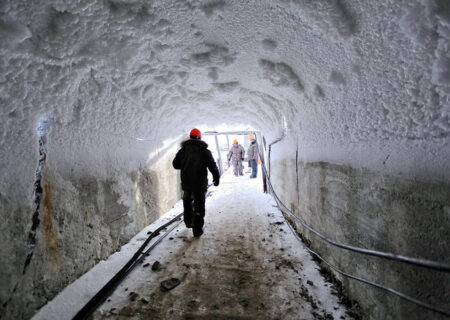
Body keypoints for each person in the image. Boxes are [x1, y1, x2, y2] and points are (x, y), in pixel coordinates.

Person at [172, 128, 220, 237]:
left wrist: (185, 164)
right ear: (200, 138)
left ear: (190, 137)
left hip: (187, 184)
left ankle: (188, 222)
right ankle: (197, 230)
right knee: (199, 206)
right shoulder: (204, 151)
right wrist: (216, 177)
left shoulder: (183, 150)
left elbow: (175, 165)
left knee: (187, 203)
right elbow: (212, 166)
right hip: (199, 185)